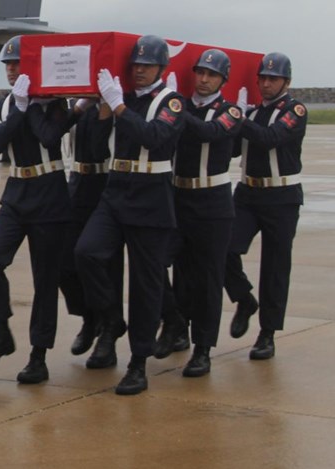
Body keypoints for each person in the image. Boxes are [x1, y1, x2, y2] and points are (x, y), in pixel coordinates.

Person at [75, 34, 185, 395]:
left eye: (147, 66)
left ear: (161, 68)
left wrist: (118, 107)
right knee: (87, 252)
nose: (139, 71)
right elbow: (93, 147)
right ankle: (110, 318)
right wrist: (104, 111)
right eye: (135, 65)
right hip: (117, 188)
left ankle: (138, 363)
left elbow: (155, 137)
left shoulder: (172, 101)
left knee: (145, 284)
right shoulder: (119, 98)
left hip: (151, 196)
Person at [0, 36, 73, 384]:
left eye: (17, 63)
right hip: (16, 193)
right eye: (7, 64)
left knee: (45, 281)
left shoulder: (54, 104)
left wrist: (30, 104)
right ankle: (1, 332)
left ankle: (38, 355)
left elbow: (49, 138)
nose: (11, 69)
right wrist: (18, 105)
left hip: (49, 194)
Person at [158, 50, 244, 376]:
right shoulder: (181, 105)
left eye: (212, 74)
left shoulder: (231, 111)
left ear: (224, 79)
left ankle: (203, 348)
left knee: (208, 278)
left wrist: (176, 111)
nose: (204, 79)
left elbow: (213, 134)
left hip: (213, 202)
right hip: (178, 195)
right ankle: (175, 322)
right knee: (159, 263)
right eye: (200, 73)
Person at [225, 52, 307, 361]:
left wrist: (239, 119)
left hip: (281, 197)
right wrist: (230, 121)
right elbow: (234, 150)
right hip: (248, 194)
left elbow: (271, 138)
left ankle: (267, 333)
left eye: (273, 79)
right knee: (224, 248)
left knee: (275, 266)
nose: (266, 83)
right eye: (263, 78)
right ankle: (244, 298)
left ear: (286, 81)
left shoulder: (295, 110)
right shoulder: (253, 112)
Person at [51, 97, 125, 364]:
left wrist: (106, 106)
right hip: (77, 183)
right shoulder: (74, 104)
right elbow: (51, 134)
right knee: (62, 261)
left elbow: (98, 149)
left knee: (105, 264)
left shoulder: (117, 102)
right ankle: (89, 316)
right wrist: (79, 107)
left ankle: (109, 329)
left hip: (106, 185)